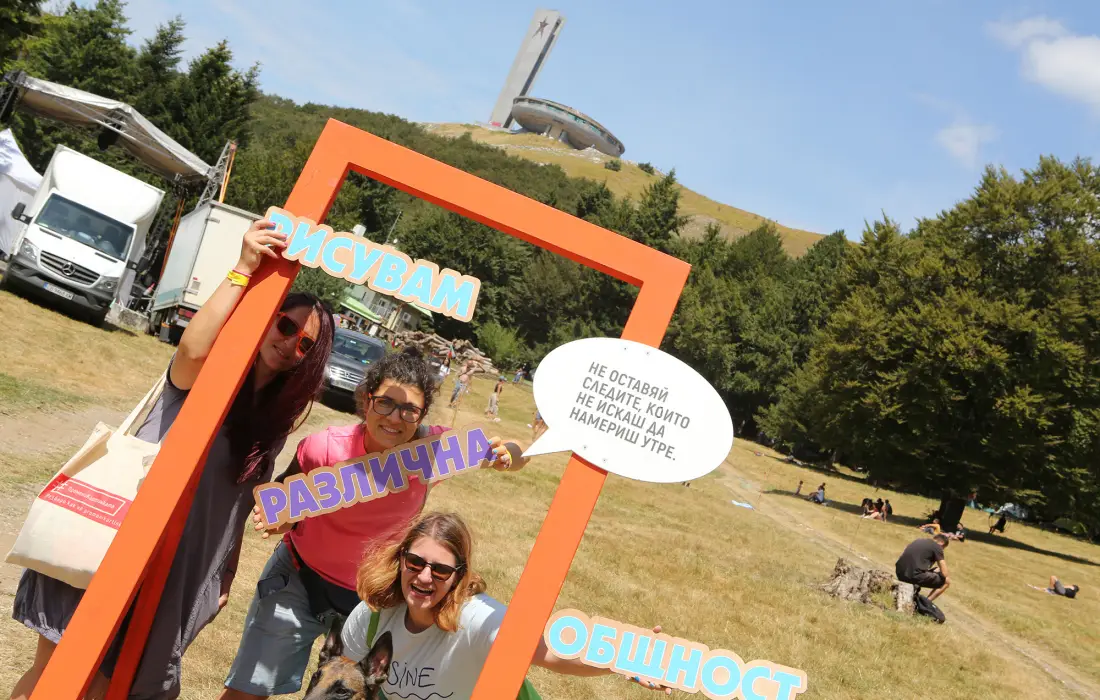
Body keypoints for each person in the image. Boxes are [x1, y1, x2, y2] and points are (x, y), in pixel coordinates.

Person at [10, 219, 336, 700]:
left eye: (305, 344)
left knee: (104, 688)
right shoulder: (205, 377)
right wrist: (243, 269)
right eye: (285, 325)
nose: (290, 344)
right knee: (56, 676)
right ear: (266, 316)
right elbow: (191, 347)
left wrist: (225, 573)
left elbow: (236, 508)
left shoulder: (268, 427)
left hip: (172, 574)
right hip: (111, 543)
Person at [219, 348, 528, 700]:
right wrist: (279, 520)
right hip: (299, 580)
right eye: (385, 403)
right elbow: (281, 499)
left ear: (422, 414)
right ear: (367, 400)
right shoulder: (324, 448)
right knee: (248, 689)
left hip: (372, 600)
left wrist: (510, 455)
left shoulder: (433, 449)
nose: (395, 418)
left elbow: (508, 450)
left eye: (410, 409)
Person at [338, 512, 671, 698]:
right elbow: (341, 679)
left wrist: (621, 658)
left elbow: (552, 652)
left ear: (458, 577)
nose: (425, 577)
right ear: (401, 560)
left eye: (440, 570)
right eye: (415, 562)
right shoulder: (373, 616)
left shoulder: (478, 620)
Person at [895, 533, 952, 601]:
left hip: (899, 572)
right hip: (913, 576)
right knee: (947, 581)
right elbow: (945, 573)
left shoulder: (918, 540)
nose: (942, 550)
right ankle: (926, 603)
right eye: (943, 548)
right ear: (942, 543)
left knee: (935, 570)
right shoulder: (937, 547)